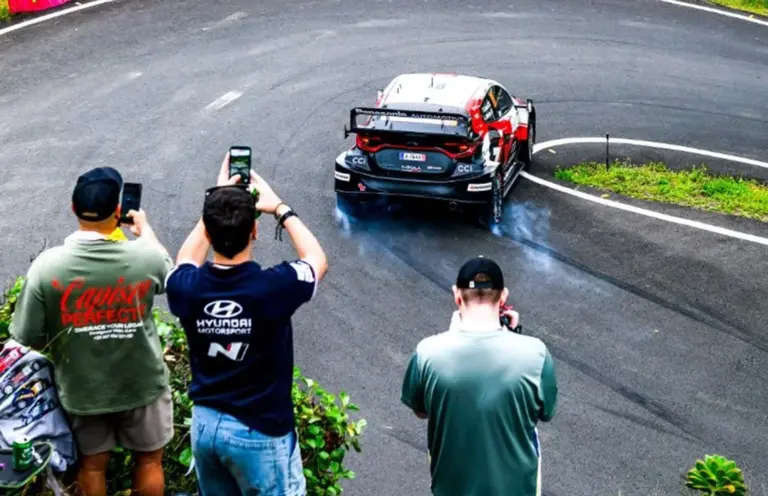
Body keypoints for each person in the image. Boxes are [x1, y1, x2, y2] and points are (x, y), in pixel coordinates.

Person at [164, 153, 328, 496]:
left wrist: (216, 202)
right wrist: (279, 207)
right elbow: (316, 260)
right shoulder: (273, 288)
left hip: (206, 425)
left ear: (208, 232)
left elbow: (185, 260)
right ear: (254, 230)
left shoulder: (188, 288)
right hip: (260, 431)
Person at [9, 167, 175, 496]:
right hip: (142, 383)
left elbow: (25, 334)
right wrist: (144, 232)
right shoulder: (146, 257)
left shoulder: (48, 266)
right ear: (118, 211)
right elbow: (171, 274)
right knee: (149, 462)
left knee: (92, 465)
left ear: (73, 209)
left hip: (83, 389)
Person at [400, 256, 558, 496]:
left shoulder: (427, 352)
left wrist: (452, 337)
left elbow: (421, 410)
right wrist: (514, 335)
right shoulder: (535, 353)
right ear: (503, 297)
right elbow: (545, 411)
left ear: (457, 296)